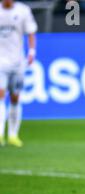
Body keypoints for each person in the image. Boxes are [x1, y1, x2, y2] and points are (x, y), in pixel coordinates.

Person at [0, 0, 37, 147]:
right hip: (0, 63)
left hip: (17, 62)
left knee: (15, 97)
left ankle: (13, 135)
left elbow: (31, 32)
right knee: (1, 95)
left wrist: (32, 51)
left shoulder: (23, 10)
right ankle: (0, 133)